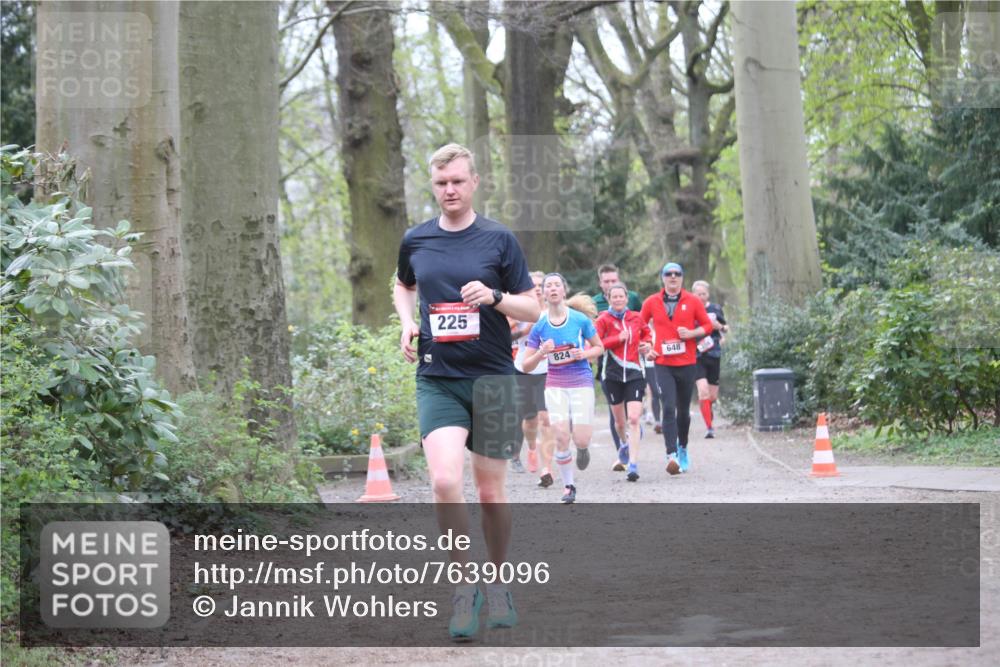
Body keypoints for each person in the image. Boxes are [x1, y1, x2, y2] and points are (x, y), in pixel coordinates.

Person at [393, 143, 539, 640]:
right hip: (437, 379)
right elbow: (403, 284)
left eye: (457, 180)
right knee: (444, 483)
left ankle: (497, 583)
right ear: (431, 186)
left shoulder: (499, 240)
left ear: (474, 182)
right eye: (440, 183)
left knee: (492, 492)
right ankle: (463, 587)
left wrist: (496, 297)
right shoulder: (416, 240)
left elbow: (535, 310)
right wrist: (408, 323)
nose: (449, 190)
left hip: (495, 377)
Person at [521, 273, 604, 504]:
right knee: (560, 436)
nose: (553, 288)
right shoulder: (539, 326)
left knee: (581, 438)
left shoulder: (579, 320)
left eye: (557, 284)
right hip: (555, 383)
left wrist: (584, 354)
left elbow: (600, 347)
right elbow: (526, 366)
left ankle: (584, 449)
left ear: (563, 291)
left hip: (581, 382)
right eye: (549, 286)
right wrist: (541, 353)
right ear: (544, 293)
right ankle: (569, 486)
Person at [639, 262, 713, 475]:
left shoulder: (693, 300)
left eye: (677, 274)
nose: (673, 277)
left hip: (687, 363)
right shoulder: (652, 302)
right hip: (663, 364)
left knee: (683, 411)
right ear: (662, 277)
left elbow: (707, 326)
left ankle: (682, 447)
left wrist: (692, 333)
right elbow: (640, 326)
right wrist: (646, 346)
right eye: (668, 274)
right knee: (668, 407)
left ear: (682, 277)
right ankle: (670, 455)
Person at [595, 284, 652, 481]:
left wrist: (647, 344)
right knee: (620, 423)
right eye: (614, 297)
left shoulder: (636, 317)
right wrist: (617, 338)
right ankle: (623, 445)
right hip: (612, 375)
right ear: (608, 299)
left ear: (627, 298)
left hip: (635, 373)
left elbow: (647, 334)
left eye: (621, 296)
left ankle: (633, 465)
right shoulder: (603, 320)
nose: (618, 299)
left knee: (634, 419)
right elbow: (596, 345)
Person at [591, 264, 643, 457]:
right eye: (607, 282)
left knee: (632, 415)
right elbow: (591, 335)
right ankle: (621, 449)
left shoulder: (634, 299)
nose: (610, 284)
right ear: (600, 284)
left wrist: (646, 344)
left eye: (614, 280)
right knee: (617, 414)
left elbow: (642, 323)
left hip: (632, 365)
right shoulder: (594, 303)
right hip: (607, 364)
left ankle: (632, 442)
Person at [512, 271, 552, 481]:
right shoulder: (517, 312)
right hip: (524, 368)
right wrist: (525, 329)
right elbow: (505, 337)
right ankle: (531, 447)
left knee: (546, 418)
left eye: (540, 285)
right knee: (530, 420)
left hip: (548, 370)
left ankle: (547, 467)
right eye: (533, 285)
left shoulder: (555, 312)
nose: (537, 288)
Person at [691, 280, 728, 439]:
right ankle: (709, 427)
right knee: (703, 391)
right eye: (698, 294)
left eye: (703, 293)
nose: (701, 297)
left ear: (708, 294)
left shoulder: (715, 309)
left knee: (712, 396)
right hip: (696, 354)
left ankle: (708, 410)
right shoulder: (688, 309)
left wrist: (720, 328)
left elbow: (725, 329)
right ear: (693, 294)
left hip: (713, 354)